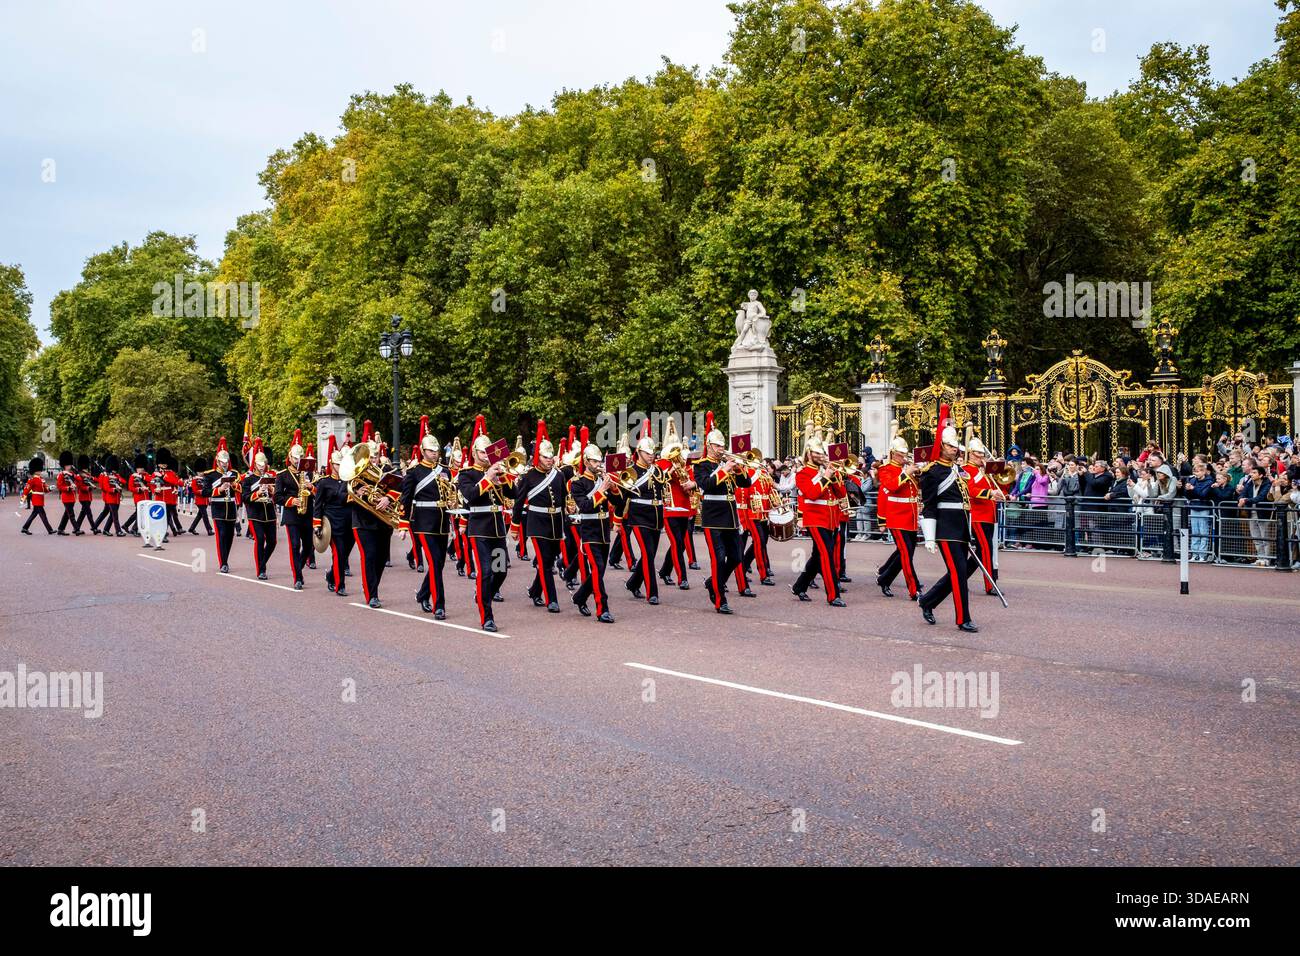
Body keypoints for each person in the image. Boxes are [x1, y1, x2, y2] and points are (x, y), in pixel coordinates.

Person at [918, 407, 978, 633]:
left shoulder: (957, 469)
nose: (955, 450)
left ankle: (928, 601)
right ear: (941, 446)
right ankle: (963, 618)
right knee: (959, 573)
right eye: (951, 446)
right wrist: (930, 537)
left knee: (961, 571)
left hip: (961, 528)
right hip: (944, 529)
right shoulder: (931, 472)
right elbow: (930, 504)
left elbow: (965, 502)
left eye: (956, 447)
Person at [457, 415, 514, 631]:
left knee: (501, 572)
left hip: (497, 529)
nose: (486, 455)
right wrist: (488, 478)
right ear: (475, 454)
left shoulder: (498, 470)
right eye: (482, 452)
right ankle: (486, 616)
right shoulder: (467, 474)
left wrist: (504, 476)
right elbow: (470, 495)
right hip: (479, 529)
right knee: (487, 571)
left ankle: (482, 595)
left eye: (488, 452)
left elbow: (514, 493)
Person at [694, 412, 753, 614]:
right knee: (718, 559)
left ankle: (713, 582)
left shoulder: (728, 464)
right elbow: (707, 485)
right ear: (709, 446)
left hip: (730, 517)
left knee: (736, 558)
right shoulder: (701, 466)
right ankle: (720, 599)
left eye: (722, 446)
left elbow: (746, 484)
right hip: (713, 517)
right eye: (717, 446)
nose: (721, 449)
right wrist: (725, 469)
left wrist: (739, 469)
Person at [509, 420, 566, 615]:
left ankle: (535, 590)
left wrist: (564, 524)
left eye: (551, 457)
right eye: (545, 457)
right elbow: (518, 502)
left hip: (556, 523)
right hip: (537, 523)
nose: (549, 460)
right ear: (538, 457)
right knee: (544, 561)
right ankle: (552, 600)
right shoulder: (528, 476)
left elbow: (563, 502)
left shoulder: (559, 476)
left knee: (548, 561)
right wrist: (515, 526)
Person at [568, 441, 626, 623]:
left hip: (603, 531)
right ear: (586, 462)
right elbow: (584, 506)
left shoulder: (603, 480)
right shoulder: (577, 483)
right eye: (594, 462)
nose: (598, 465)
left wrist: (614, 487)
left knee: (598, 572)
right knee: (598, 568)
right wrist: (601, 490)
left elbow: (618, 503)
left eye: (599, 461)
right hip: (589, 532)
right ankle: (602, 609)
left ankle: (579, 597)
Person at [402, 419, 455, 618]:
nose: (434, 454)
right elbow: (406, 500)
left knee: (438, 564)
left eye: (436, 451)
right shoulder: (415, 473)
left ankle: (423, 594)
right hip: (423, 523)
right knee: (434, 562)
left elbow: (451, 497)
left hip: (442, 522)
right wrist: (403, 524)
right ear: (423, 451)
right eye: (431, 451)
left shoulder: (445, 470)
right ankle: (438, 605)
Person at [790, 421, 846, 608]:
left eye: (822, 453)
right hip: (815, 519)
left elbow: (841, 494)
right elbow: (813, 493)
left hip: (831, 518)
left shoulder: (827, 471)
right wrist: (826, 476)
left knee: (816, 557)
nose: (821, 456)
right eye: (817, 453)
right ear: (809, 454)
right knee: (827, 554)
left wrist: (835, 475)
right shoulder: (803, 473)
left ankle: (800, 586)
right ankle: (833, 594)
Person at [875, 420, 923, 600]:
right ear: (893, 454)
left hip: (910, 518)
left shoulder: (905, 470)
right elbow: (892, 487)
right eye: (901, 454)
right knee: (905, 555)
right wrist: (907, 473)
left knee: (906, 553)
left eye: (905, 454)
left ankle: (885, 578)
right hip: (896, 518)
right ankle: (914, 589)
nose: (904, 457)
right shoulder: (886, 469)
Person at [623, 420, 668, 605]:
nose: (651, 456)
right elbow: (625, 494)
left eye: (652, 453)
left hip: (656, 515)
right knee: (648, 554)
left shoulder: (657, 470)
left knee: (649, 553)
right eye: (647, 453)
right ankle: (652, 592)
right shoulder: (631, 471)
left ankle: (634, 583)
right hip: (639, 514)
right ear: (639, 453)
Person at [963, 432, 1005, 596]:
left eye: (982, 454)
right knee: (985, 549)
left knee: (981, 552)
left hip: (989, 515)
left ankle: (960, 577)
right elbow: (970, 490)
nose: (981, 457)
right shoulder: (966, 470)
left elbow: (995, 487)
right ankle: (990, 585)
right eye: (978, 454)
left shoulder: (984, 471)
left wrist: (1000, 492)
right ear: (971, 454)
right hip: (977, 516)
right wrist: (989, 494)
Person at [274, 430, 315, 590]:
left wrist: (312, 487)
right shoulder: (282, 475)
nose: (298, 461)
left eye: (300, 458)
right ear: (290, 458)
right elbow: (277, 497)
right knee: (294, 545)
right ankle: (297, 577)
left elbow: (319, 493)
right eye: (295, 458)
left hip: (307, 513)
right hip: (292, 514)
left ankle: (299, 567)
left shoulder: (309, 473)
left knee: (309, 546)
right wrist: (292, 500)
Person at [658, 419, 696, 590]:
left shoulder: (684, 465)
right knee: (676, 543)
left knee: (680, 544)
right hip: (669, 508)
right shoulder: (661, 464)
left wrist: (688, 481)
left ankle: (665, 571)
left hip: (684, 508)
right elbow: (659, 480)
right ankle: (682, 578)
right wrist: (671, 469)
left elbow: (691, 485)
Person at [312, 435, 352, 596]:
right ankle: (340, 585)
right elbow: (318, 505)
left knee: (343, 555)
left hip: (349, 521)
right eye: (337, 463)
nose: (339, 466)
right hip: (332, 522)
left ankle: (331, 576)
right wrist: (317, 524)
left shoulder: (350, 480)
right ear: (331, 464)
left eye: (342, 463)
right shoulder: (324, 482)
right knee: (339, 553)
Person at [241, 439, 278, 580]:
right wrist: (258, 492)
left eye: (264, 465)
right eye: (259, 465)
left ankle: (262, 562)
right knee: (260, 540)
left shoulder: (270, 476)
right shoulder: (249, 479)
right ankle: (261, 569)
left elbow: (276, 495)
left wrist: (271, 489)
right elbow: (245, 497)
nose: (262, 467)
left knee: (272, 542)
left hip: (269, 513)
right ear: (255, 464)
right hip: (255, 513)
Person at [204, 437, 241, 574]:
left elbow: (241, 488)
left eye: (226, 462)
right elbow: (205, 492)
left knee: (230, 536)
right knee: (221, 535)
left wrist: (233, 484)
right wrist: (219, 489)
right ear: (217, 461)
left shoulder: (234, 474)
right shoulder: (210, 475)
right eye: (222, 462)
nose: (225, 464)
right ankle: (223, 563)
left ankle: (226, 558)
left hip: (231, 507)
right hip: (218, 508)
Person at [1238, 463, 1273, 566]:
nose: (1251, 474)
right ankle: (1260, 557)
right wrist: (1241, 499)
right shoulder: (1250, 483)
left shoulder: (1267, 484)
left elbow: (1260, 498)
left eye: (1254, 473)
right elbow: (1242, 494)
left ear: (1261, 475)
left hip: (1263, 513)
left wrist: (1245, 500)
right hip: (1251, 514)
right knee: (1256, 537)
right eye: (1251, 472)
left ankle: (1267, 559)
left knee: (1265, 537)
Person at [1182, 460, 1214, 561]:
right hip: (1194, 507)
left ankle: (1202, 554)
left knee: (1203, 531)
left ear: (1204, 471)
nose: (1196, 473)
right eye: (1195, 471)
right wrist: (1187, 489)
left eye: (1199, 471)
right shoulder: (1192, 480)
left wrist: (1193, 489)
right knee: (1195, 532)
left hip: (1203, 508)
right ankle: (1195, 553)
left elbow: (1204, 495)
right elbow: (1188, 496)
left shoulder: (1209, 481)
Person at [20, 457, 54, 534]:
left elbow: (45, 490)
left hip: (41, 499)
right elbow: (26, 490)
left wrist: (50, 488)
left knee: (34, 514)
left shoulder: (41, 479)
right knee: (43, 515)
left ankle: (25, 528)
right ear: (34, 470)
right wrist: (22, 500)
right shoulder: (32, 480)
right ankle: (50, 530)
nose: (39, 471)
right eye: (38, 470)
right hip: (36, 499)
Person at [94, 456, 126, 537]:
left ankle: (106, 529)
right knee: (115, 516)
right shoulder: (106, 476)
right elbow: (105, 487)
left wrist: (117, 479)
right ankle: (118, 531)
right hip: (110, 498)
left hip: (117, 499)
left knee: (112, 516)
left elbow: (124, 481)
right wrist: (114, 489)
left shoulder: (115, 475)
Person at [55, 451, 80, 535]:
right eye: (68, 465)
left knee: (67, 515)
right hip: (66, 497)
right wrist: (68, 488)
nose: (70, 466)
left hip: (72, 497)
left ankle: (60, 529)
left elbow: (79, 479)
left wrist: (72, 475)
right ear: (65, 465)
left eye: (70, 464)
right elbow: (59, 486)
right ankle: (77, 529)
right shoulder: (61, 475)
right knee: (71, 515)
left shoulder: (71, 474)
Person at [187, 459, 213, 535]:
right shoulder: (195, 480)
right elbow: (194, 490)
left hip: (205, 500)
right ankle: (209, 530)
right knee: (205, 515)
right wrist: (202, 491)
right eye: (200, 472)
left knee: (199, 516)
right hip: (199, 500)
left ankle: (191, 528)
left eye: (202, 471)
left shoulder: (206, 479)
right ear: (197, 472)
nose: (201, 473)